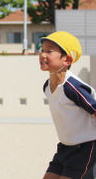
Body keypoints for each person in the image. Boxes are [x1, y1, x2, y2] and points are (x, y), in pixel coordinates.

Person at [40, 31, 96, 179]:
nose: (42, 55)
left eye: (49, 51)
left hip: (85, 148)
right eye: (42, 50)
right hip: (65, 148)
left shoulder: (72, 87)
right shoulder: (47, 86)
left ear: (67, 60)